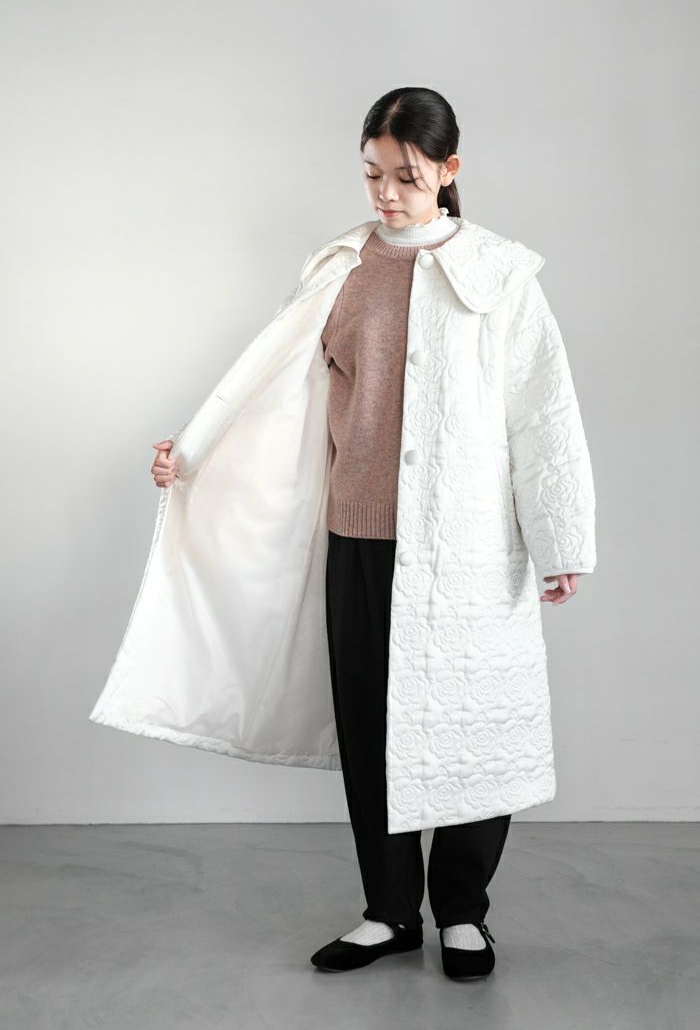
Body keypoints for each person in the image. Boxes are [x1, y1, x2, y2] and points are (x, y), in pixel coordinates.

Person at [148, 87, 595, 981]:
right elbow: (272, 391)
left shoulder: (501, 275)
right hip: (359, 532)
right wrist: (192, 455)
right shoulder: (340, 269)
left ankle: (462, 913)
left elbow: (543, 414)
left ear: (450, 171)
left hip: (469, 540)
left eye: (407, 176)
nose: (386, 193)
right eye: (372, 174)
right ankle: (389, 910)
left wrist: (562, 541)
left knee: (472, 720)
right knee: (370, 724)